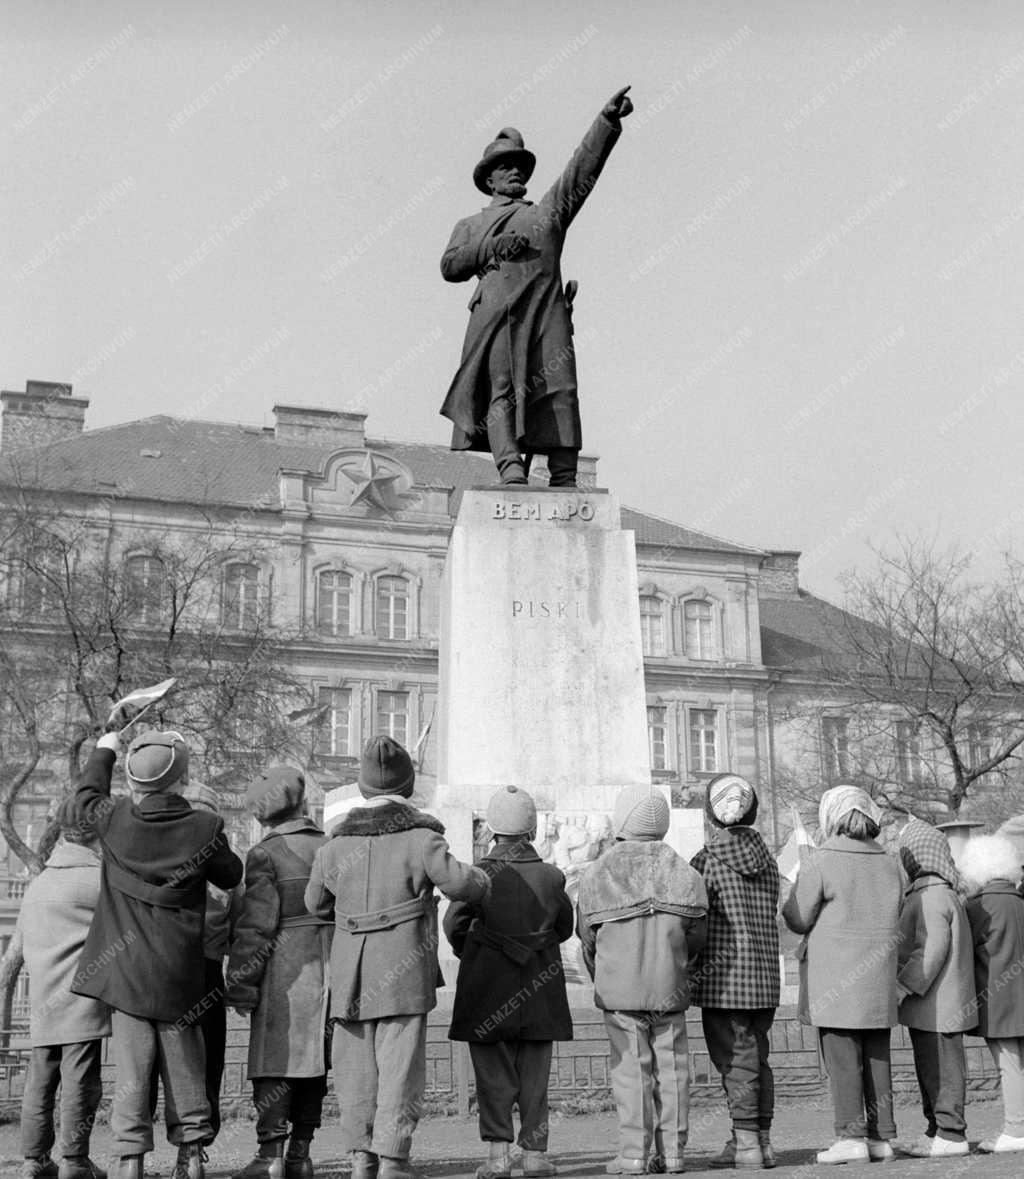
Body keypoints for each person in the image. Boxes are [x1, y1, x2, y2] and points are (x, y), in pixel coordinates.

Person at [305, 735, 490, 1179]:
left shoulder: (332, 847)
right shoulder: (423, 839)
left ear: (363, 789)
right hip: (403, 969)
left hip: (350, 973)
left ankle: (360, 1158)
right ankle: (393, 1159)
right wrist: (484, 878)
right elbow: (464, 886)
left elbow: (315, 906)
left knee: (354, 1071)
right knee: (400, 1068)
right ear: (407, 787)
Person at [439, 87, 634, 487]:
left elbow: (580, 172)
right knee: (502, 389)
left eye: (520, 167)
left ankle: (564, 475)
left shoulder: (548, 214)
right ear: (488, 178)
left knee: (561, 387)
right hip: (496, 313)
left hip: (547, 311)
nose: (515, 172)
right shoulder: (471, 225)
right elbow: (450, 266)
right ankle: (510, 468)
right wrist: (490, 247)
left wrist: (606, 123)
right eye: (505, 166)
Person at [71, 730, 243, 1179]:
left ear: (132, 778)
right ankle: (191, 1156)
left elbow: (85, 796)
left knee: (131, 1068)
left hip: (125, 972)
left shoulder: (113, 819)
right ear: (181, 778)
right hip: (179, 972)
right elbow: (231, 875)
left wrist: (106, 746)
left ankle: (130, 1161)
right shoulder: (205, 827)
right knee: (186, 1062)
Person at [577, 786, 708, 1175]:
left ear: (622, 820)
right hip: (670, 987)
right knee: (673, 1071)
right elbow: (698, 938)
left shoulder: (597, 873)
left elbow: (587, 939)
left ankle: (634, 1153)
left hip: (619, 991)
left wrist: (603, 973)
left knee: (631, 1072)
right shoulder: (687, 873)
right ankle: (673, 1153)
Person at [444, 785, 574, 1179]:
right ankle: (535, 1156)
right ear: (532, 830)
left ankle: (498, 1156)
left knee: (491, 1076)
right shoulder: (552, 877)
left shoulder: (478, 874)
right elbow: (564, 928)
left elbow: (454, 925)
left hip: (487, 986)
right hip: (540, 985)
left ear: (490, 829)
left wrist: (477, 950)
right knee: (536, 1077)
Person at [781, 786, 902, 1166]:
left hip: (836, 977)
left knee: (843, 1056)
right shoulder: (891, 862)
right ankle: (882, 1138)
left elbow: (797, 918)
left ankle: (851, 1137)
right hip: (879, 975)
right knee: (877, 1056)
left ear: (830, 815)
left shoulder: (822, 860)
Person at [227, 766, 332, 1179]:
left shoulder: (264, 854)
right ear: (302, 802)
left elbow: (255, 926)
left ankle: (270, 1154)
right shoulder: (330, 846)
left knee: (275, 1063)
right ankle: (300, 1156)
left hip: (284, 971)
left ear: (260, 816)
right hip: (330, 968)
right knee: (315, 1065)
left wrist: (240, 985)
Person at [689, 774, 780, 1169]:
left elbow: (695, 920)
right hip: (764, 977)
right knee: (757, 1058)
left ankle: (745, 1146)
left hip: (724, 980)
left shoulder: (705, 862)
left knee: (735, 1062)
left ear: (711, 813)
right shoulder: (770, 862)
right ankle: (762, 1141)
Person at [18, 797, 110, 1179]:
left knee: (39, 1082)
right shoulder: (100, 879)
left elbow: (23, 947)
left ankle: (33, 1161)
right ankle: (75, 1161)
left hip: (42, 1001)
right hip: (80, 1002)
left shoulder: (39, 884)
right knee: (80, 1084)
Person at [147, 781, 237, 1150]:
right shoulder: (225, 866)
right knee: (205, 1061)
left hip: (158, 969)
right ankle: (194, 1149)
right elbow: (240, 924)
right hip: (208, 972)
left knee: (149, 1062)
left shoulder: (156, 854)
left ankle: (133, 1153)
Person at [895, 818, 976, 1158]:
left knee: (940, 1071)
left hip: (936, 1006)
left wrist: (904, 985)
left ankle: (951, 1133)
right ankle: (937, 1130)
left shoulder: (930, 895)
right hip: (939, 1005)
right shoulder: (943, 892)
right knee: (933, 1069)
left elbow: (930, 950)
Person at [959, 834, 1024, 1154]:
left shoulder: (976, 907)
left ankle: (1016, 1128)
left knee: (1008, 1064)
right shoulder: (1020, 901)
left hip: (998, 999)